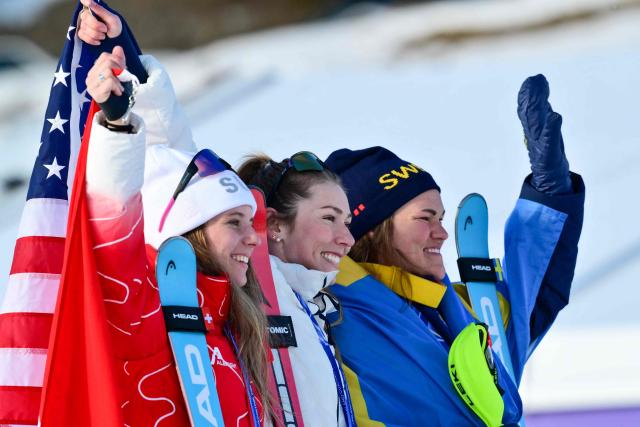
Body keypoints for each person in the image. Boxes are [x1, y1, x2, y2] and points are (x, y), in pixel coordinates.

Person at [321, 75, 585, 426]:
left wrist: (551, 192)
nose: (442, 233)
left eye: (442, 217)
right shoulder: (330, 308)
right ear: (372, 228)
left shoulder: (457, 311)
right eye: (425, 218)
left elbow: (532, 297)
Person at [84, 45, 272, 426]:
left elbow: (173, 154)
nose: (253, 238)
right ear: (188, 231)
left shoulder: (229, 319)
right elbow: (112, 228)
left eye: (249, 222)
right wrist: (118, 129)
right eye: (233, 223)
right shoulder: (140, 308)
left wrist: (142, 76)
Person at [238, 153, 357, 427]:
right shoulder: (249, 289)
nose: (347, 239)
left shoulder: (315, 308)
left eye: (347, 223)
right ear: (274, 224)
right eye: (329, 218)